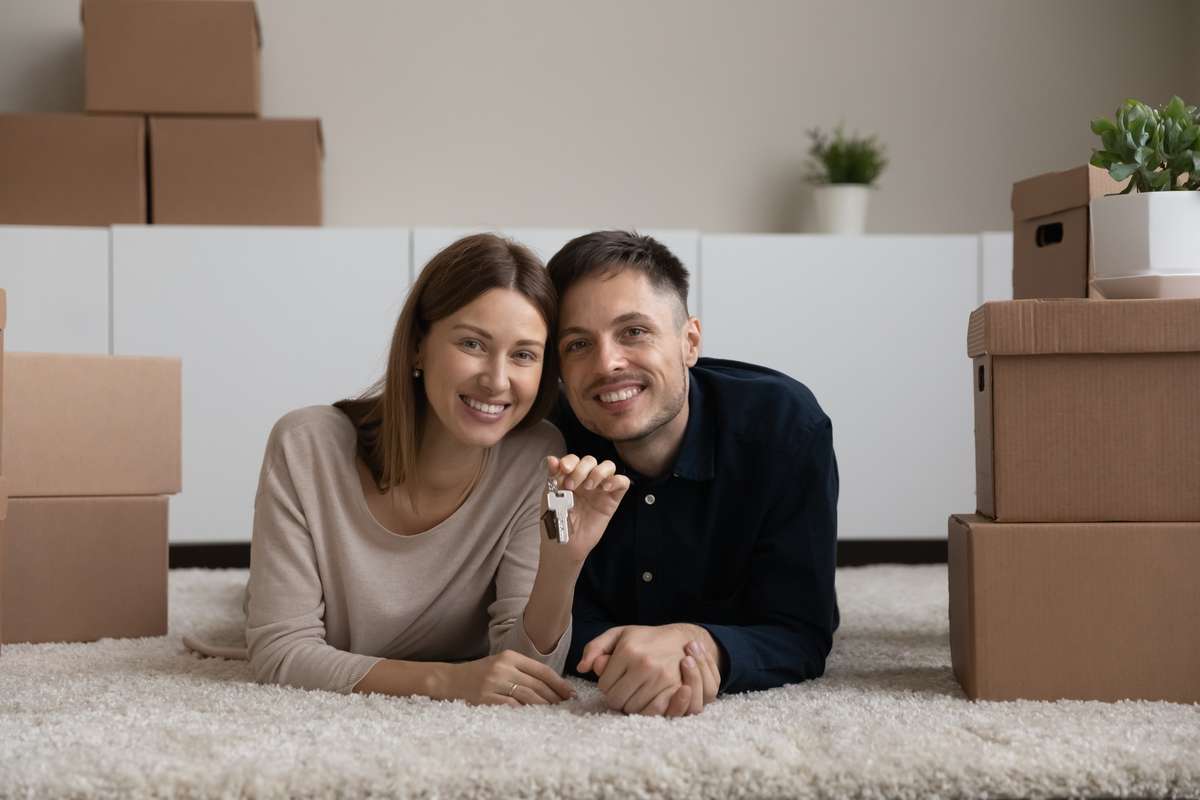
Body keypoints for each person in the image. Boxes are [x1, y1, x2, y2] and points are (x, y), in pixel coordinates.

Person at [186, 233, 630, 707]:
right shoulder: (306, 444)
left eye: (524, 354)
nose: (497, 380)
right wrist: (447, 681)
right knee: (252, 600)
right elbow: (280, 652)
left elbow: (529, 672)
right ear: (419, 346)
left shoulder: (539, 456)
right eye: (472, 343)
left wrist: (562, 564)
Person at [545, 230, 840, 717]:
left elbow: (800, 629)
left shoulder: (785, 427)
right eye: (578, 344)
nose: (607, 363)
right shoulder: (547, 442)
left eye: (634, 331)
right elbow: (535, 608)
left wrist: (702, 644)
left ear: (689, 342)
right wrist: (615, 647)